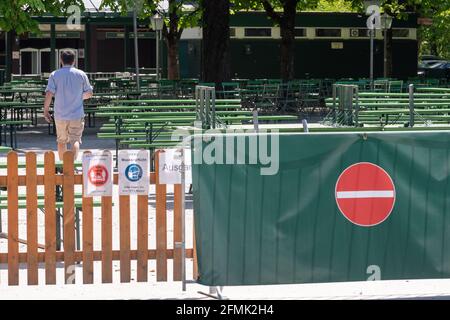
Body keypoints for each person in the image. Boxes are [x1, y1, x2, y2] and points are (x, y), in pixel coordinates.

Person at [44, 49, 93, 160]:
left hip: (60, 114)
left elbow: (49, 94)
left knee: (61, 141)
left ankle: (63, 166)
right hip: (77, 114)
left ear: (61, 60)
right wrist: (79, 97)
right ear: (74, 61)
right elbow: (89, 93)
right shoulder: (81, 74)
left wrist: (46, 110)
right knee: (75, 140)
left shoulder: (54, 75)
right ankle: (72, 165)